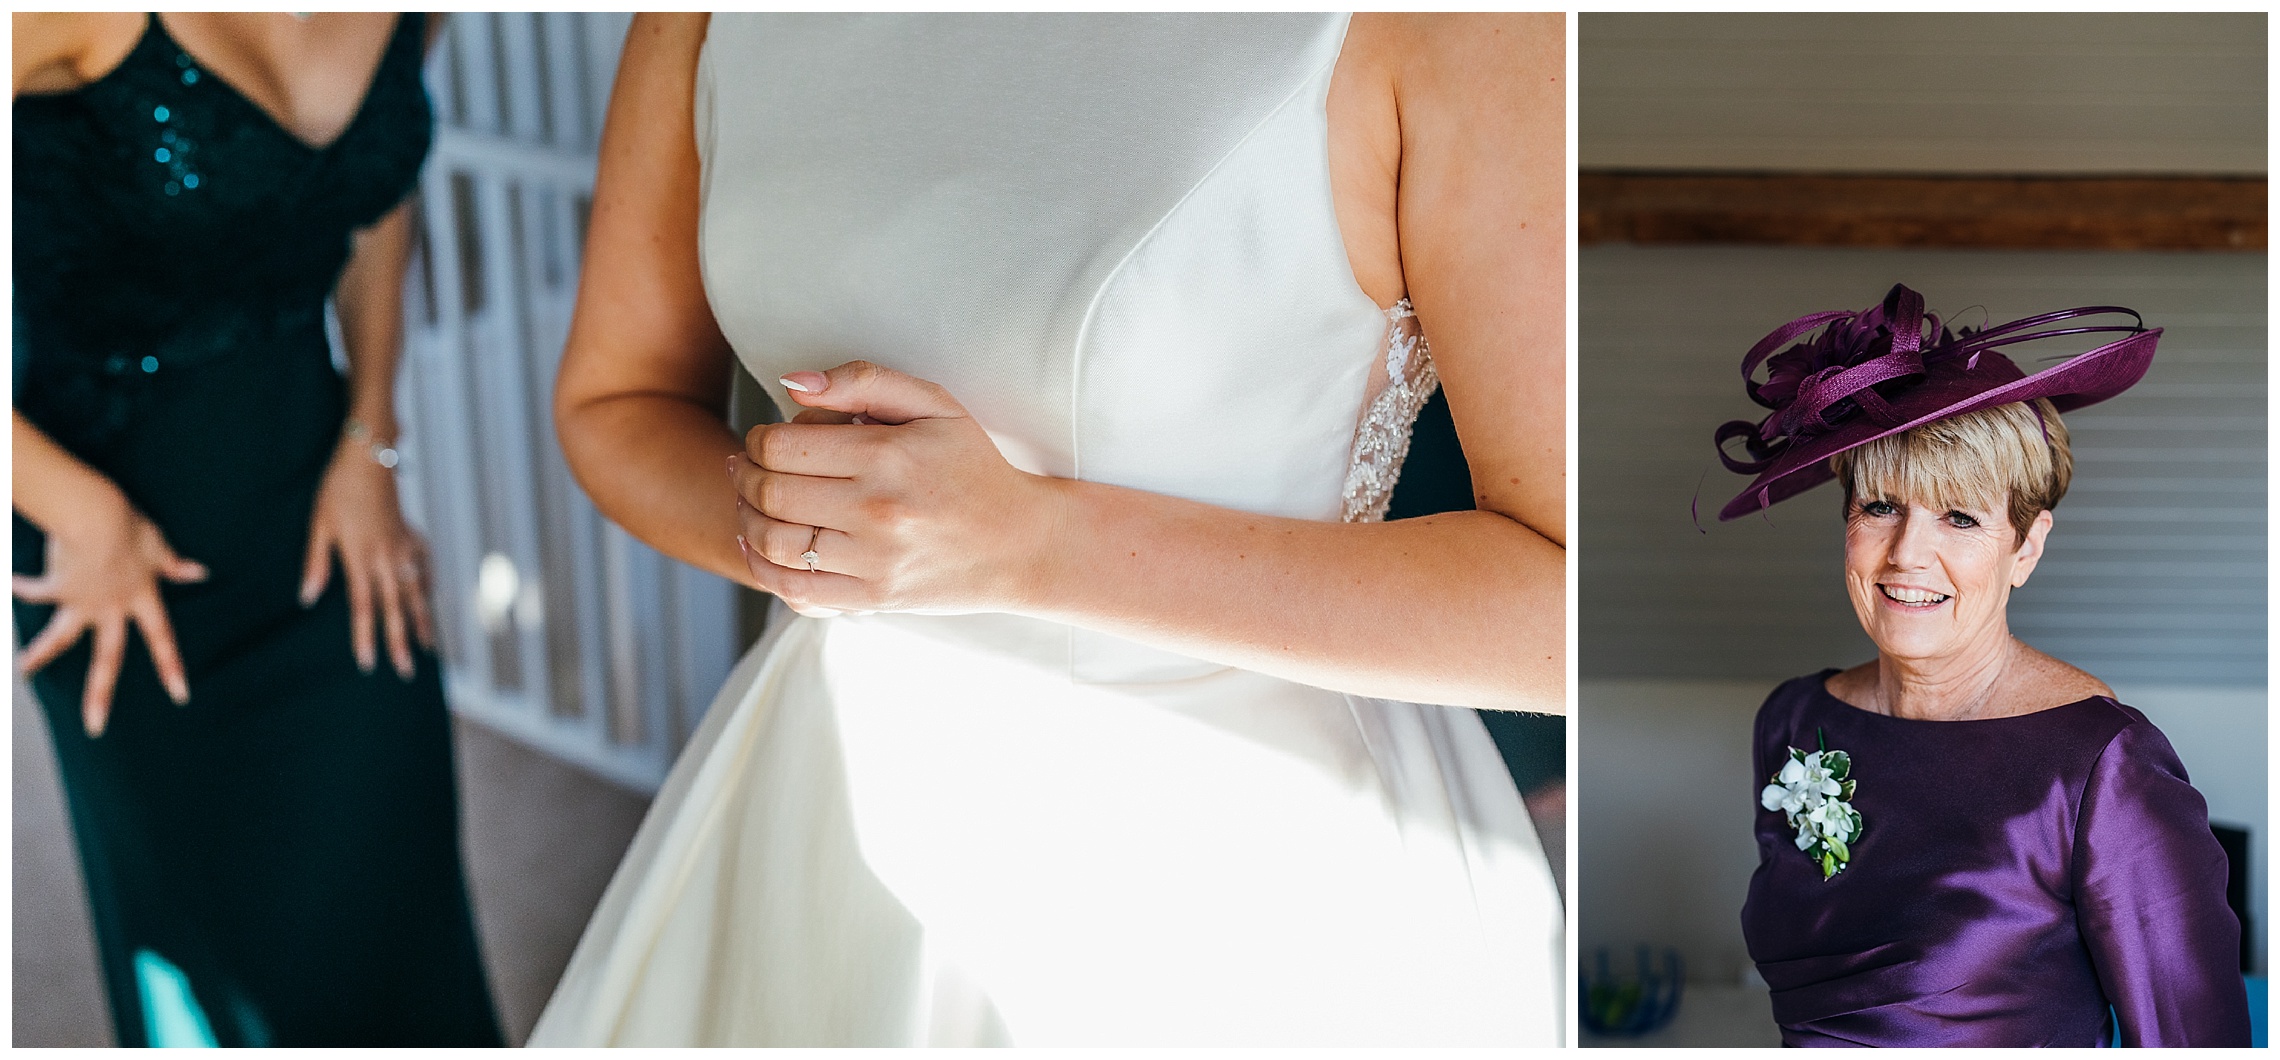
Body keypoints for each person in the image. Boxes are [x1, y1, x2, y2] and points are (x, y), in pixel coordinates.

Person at [533, 13, 1564, 1046]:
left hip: (1238, 869)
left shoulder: (1455, 29)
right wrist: (830, 537)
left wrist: (1033, 544)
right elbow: (614, 401)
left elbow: (1560, 610)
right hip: (826, 786)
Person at [12, 13, 500, 1046]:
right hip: (113, 547)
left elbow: (376, 199)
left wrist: (373, 432)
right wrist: (76, 507)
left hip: (320, 491)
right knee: (218, 956)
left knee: (391, 888)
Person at [1719, 284, 2251, 1047]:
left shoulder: (2101, 769)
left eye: (1960, 518)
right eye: (1880, 507)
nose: (1907, 554)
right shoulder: (1793, 722)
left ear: (2025, 548)